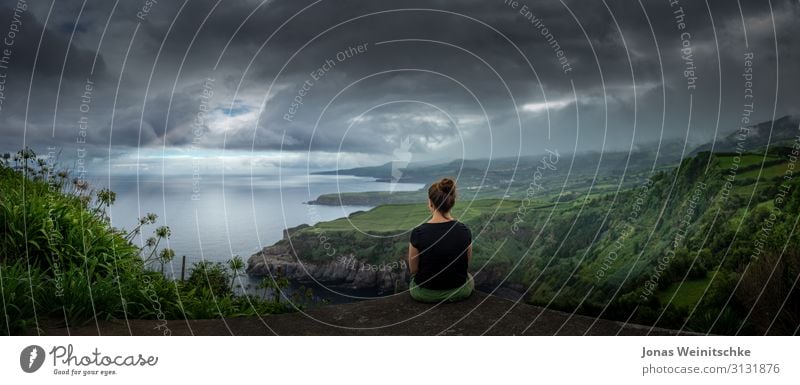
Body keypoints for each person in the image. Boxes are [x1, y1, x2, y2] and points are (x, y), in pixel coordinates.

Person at [407, 177, 474, 303]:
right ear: (452, 202)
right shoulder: (465, 230)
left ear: (430, 203)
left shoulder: (418, 233)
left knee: (413, 281)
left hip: (425, 294)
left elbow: (413, 270)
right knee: (469, 278)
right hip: (459, 291)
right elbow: (466, 263)